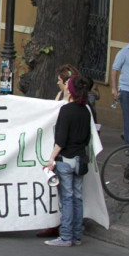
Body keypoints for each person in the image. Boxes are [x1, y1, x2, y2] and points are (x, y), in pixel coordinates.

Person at [43, 75, 94, 247]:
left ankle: (65, 236)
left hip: (65, 160)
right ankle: (76, 236)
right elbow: (87, 138)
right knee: (77, 198)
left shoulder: (66, 110)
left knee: (67, 198)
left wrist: (51, 159)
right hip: (80, 160)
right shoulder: (86, 111)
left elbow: (61, 140)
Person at [111, 31, 129, 146]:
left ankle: (127, 136)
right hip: (126, 90)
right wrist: (114, 89)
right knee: (128, 118)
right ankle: (128, 146)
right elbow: (115, 70)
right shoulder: (123, 52)